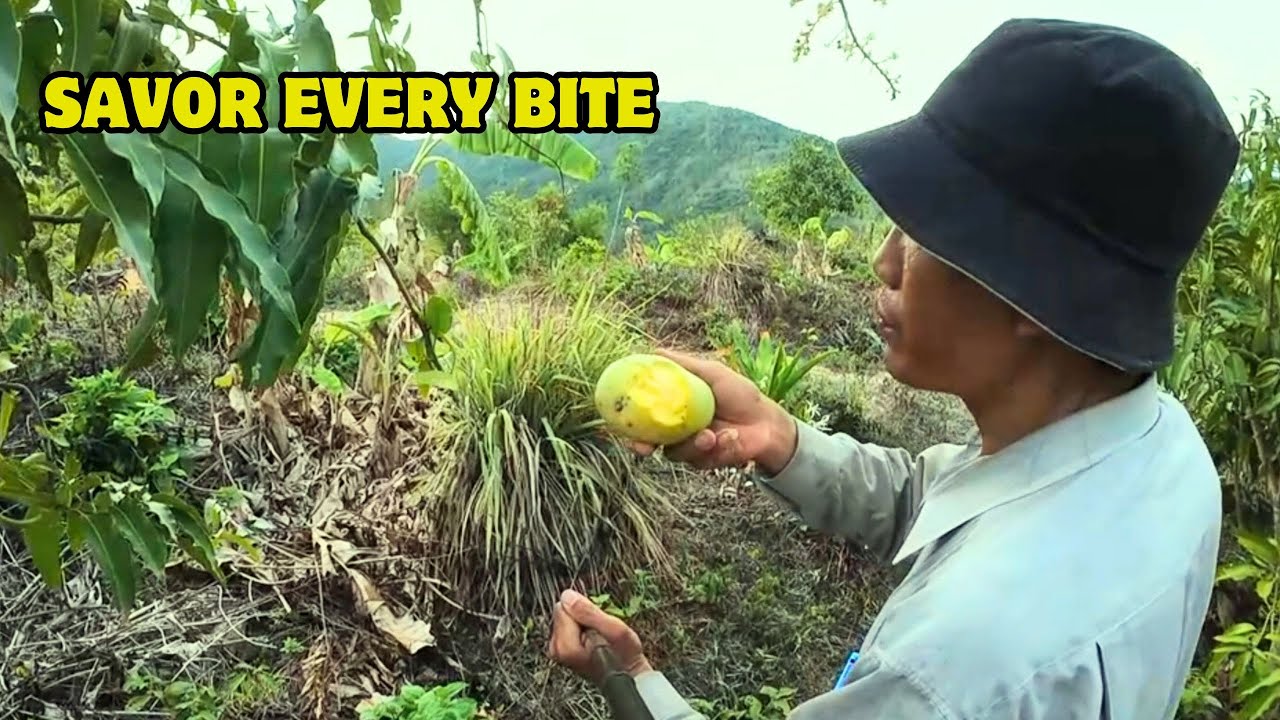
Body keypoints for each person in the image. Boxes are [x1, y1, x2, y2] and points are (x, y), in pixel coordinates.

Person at [547, 17, 1241, 719]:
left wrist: (631, 679)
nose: (884, 261)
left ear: (1037, 289)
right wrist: (781, 439)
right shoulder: (1160, 448)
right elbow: (942, 500)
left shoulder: (953, 674)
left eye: (921, 229)